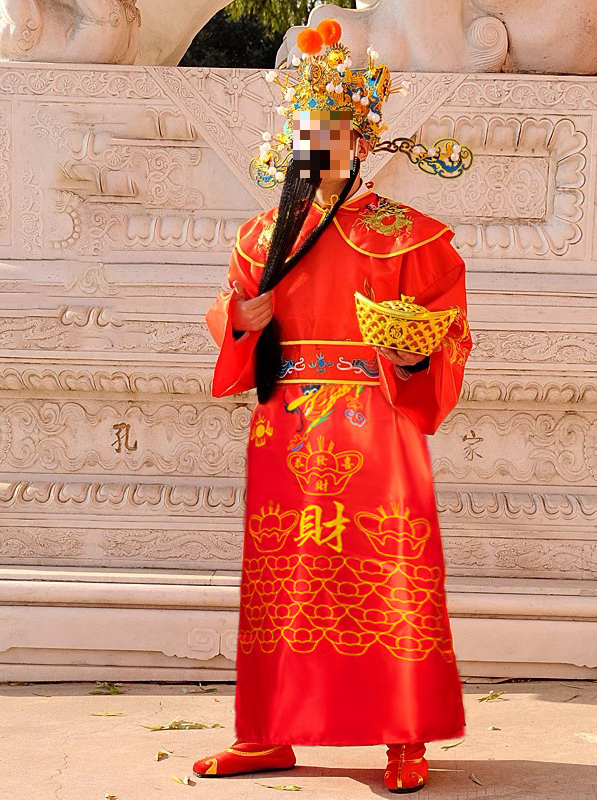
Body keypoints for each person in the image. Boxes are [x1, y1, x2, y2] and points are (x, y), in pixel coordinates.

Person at [192, 19, 472, 794]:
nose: (325, 147)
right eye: (312, 132)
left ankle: (403, 736)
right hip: (286, 429)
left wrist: (414, 352)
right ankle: (265, 733)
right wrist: (238, 319)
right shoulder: (262, 238)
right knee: (284, 585)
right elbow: (230, 318)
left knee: (385, 577)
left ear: (364, 141)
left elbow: (448, 328)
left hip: (376, 422)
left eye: (340, 133)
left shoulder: (412, 237)